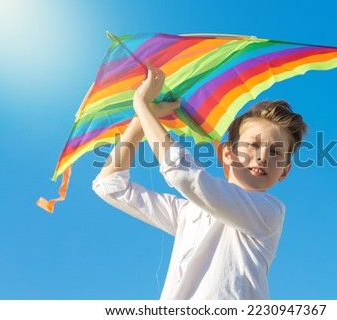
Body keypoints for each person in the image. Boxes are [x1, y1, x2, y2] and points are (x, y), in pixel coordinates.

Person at [92, 65, 308, 299]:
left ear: (284, 171)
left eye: (276, 152)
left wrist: (143, 107)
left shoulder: (269, 212)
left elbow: (184, 175)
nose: (263, 156)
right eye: (253, 145)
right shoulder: (188, 213)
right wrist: (142, 119)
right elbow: (110, 185)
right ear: (228, 153)